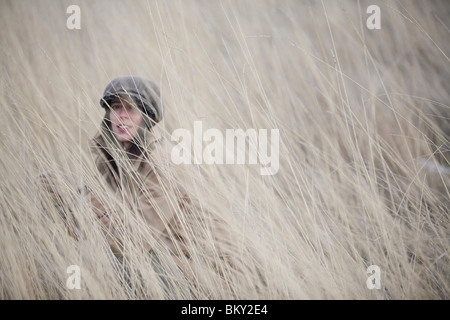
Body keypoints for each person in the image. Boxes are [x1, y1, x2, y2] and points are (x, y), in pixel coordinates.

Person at [41, 76, 258, 298]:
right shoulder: (127, 158)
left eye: (131, 108)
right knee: (82, 255)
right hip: (182, 260)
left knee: (93, 262)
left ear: (148, 118)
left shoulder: (160, 163)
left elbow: (132, 242)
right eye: (116, 107)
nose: (122, 115)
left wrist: (79, 197)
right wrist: (71, 208)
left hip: (222, 277)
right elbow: (121, 219)